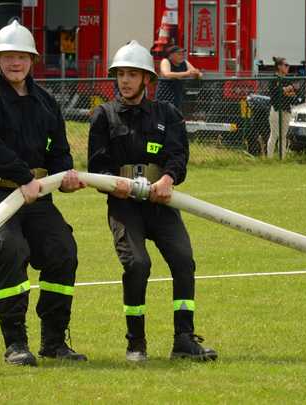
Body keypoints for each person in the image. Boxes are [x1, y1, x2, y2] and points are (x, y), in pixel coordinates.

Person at [0, 20, 87, 366]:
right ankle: (16, 343)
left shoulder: (45, 101)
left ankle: (55, 342)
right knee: (9, 248)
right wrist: (21, 175)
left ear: (32, 60)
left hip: (34, 194)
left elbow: (58, 147)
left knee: (63, 251)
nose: (16, 63)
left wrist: (64, 174)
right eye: (8, 56)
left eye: (22, 57)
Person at [88, 40, 217, 363]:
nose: (126, 81)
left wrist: (168, 180)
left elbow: (178, 156)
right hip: (124, 205)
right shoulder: (103, 116)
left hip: (161, 203)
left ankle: (184, 340)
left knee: (184, 261)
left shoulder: (167, 114)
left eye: (133, 74)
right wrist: (112, 185)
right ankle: (136, 343)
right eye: (121, 74)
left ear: (148, 79)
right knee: (137, 265)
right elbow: (96, 167)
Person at [155, 45, 202, 110]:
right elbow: (167, 74)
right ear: (171, 55)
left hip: (177, 95)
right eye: (179, 54)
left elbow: (197, 73)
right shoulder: (166, 61)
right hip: (164, 95)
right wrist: (186, 73)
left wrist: (196, 74)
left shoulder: (184, 62)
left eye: (183, 54)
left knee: (176, 114)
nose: (182, 56)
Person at [266, 56, 296, 159]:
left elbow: (292, 93)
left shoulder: (287, 79)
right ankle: (269, 158)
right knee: (274, 135)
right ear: (279, 67)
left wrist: (284, 90)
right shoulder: (274, 79)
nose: (288, 67)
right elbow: (274, 93)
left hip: (286, 109)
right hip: (276, 109)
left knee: (283, 136)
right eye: (286, 65)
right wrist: (284, 90)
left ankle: (281, 158)